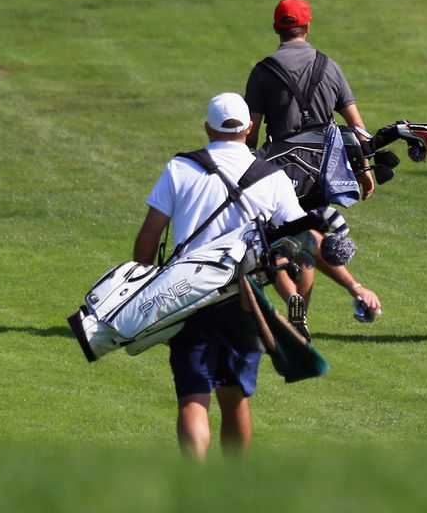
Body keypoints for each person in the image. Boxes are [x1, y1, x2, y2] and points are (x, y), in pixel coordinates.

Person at [130, 93, 308, 460]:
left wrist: (143, 287)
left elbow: (148, 237)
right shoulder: (273, 177)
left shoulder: (180, 168)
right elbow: (300, 242)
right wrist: (298, 302)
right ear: (250, 127)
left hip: (185, 297)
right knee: (235, 398)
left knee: (192, 397)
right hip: (243, 302)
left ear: (207, 128)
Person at [244, 0, 382, 322]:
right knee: (309, 235)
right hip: (323, 172)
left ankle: (286, 305)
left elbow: (251, 134)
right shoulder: (328, 65)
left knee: (277, 236)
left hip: (283, 169)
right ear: (307, 26)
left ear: (276, 28)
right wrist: (364, 170)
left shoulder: (263, 72)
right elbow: (357, 127)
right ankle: (300, 317)